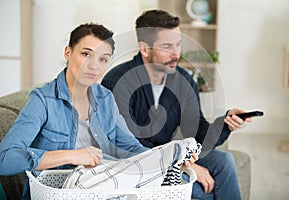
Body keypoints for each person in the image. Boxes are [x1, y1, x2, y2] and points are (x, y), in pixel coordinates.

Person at [101, 10, 252, 200]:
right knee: (205, 192)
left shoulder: (183, 80)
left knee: (224, 161)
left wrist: (225, 123)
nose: (176, 54)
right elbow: (126, 146)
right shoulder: (117, 81)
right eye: (167, 47)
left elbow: (196, 131)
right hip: (132, 165)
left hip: (169, 155)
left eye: (178, 45)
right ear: (145, 49)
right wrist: (180, 164)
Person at [0, 23, 150, 200]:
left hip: (105, 190)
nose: (94, 65)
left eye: (103, 59)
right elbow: (5, 160)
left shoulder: (105, 98)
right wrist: (73, 156)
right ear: (68, 52)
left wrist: (171, 158)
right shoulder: (42, 100)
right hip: (58, 194)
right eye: (86, 54)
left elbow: (131, 147)